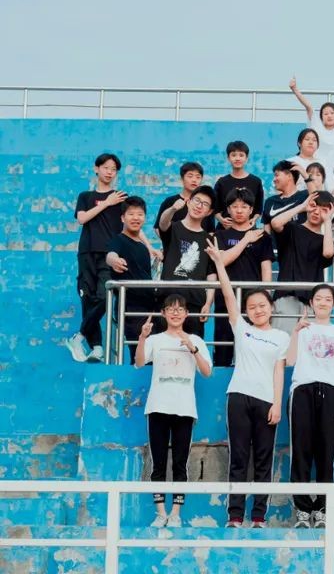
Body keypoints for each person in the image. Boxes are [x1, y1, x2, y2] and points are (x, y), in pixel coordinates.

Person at [206, 241, 288, 529]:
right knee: (239, 458)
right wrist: (219, 264)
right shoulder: (242, 329)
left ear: (271, 308)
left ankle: (259, 516)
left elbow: (279, 372)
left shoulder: (281, 337)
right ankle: (235, 515)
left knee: (264, 459)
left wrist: (277, 404)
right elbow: (229, 295)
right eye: (252, 307)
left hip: (266, 401)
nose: (257, 310)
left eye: (262, 306)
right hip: (239, 397)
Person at [135, 296, 213, 527]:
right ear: (164, 313)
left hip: (184, 408)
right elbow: (139, 362)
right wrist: (142, 337)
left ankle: (176, 513)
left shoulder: (196, 339)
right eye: (171, 309)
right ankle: (161, 513)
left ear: (187, 313)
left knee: (180, 463)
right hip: (158, 406)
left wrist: (192, 348)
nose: (176, 313)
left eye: (180, 309)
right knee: (158, 463)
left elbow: (207, 372)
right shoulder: (155, 340)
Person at [286, 284, 334, 529]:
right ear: (311, 303)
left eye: (327, 299)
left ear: (333, 304)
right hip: (302, 391)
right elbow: (290, 360)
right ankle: (303, 511)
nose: (323, 302)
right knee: (301, 452)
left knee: (326, 454)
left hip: (331, 393)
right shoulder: (303, 330)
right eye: (318, 298)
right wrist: (295, 332)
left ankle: (322, 509)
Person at [71, 153, 129, 362]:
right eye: (106, 167)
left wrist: (149, 247)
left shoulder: (120, 198)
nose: (109, 172)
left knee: (104, 296)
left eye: (113, 169)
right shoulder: (85, 196)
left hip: (109, 255)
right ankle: (96, 347)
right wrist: (106, 203)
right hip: (87, 252)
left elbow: (131, 224)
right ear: (96, 169)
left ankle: (79, 336)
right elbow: (82, 218)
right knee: (88, 299)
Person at [211, 189, 274, 367]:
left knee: (253, 349)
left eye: (244, 206)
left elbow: (266, 269)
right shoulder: (220, 236)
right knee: (223, 350)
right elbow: (222, 260)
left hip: (253, 303)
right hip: (225, 300)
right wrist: (246, 239)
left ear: (251, 210)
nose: (239, 210)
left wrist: (266, 297)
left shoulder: (262, 237)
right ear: (228, 210)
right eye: (234, 206)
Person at [269, 192, 334, 332]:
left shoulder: (325, 240)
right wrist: (302, 207)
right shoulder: (292, 229)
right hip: (286, 296)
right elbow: (275, 223)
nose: (317, 212)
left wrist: (328, 221)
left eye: (324, 210)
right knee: (283, 342)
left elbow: (328, 253)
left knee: (308, 344)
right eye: (314, 206)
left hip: (311, 302)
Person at [158, 185, 217, 337]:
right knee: (164, 346)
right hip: (168, 300)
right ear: (189, 202)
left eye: (205, 204)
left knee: (193, 347)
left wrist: (208, 303)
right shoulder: (173, 228)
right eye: (197, 200)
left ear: (209, 211)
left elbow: (211, 274)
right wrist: (173, 209)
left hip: (194, 303)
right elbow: (162, 224)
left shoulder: (209, 240)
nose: (199, 206)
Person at [105, 197, 155, 363]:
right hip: (130, 308)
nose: (135, 218)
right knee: (139, 353)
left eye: (140, 214)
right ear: (122, 218)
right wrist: (114, 261)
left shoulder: (142, 247)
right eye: (131, 214)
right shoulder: (118, 240)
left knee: (152, 354)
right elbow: (110, 255)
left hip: (149, 308)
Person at [290, 77, 334, 176]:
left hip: (330, 172)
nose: (329, 116)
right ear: (321, 117)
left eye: (332, 113)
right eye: (325, 114)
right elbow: (308, 107)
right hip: (312, 167)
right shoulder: (316, 125)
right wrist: (294, 89)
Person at [155, 162, 213, 252]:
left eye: (198, 177)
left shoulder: (205, 205)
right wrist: (172, 243)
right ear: (182, 179)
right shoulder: (170, 202)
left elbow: (210, 231)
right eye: (190, 176)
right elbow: (158, 227)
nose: (194, 180)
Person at [214, 141, 264, 228]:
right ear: (228, 158)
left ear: (246, 158)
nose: (237, 158)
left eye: (241, 155)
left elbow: (259, 208)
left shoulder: (256, 181)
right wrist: (221, 220)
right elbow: (215, 207)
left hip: (248, 228)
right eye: (233, 155)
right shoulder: (221, 182)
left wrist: (254, 219)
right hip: (225, 228)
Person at [289, 128, 334, 204]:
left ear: (317, 145)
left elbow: (331, 182)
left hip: (320, 202)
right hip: (297, 202)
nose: (311, 142)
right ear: (299, 143)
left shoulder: (322, 162)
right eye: (307, 139)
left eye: (314, 140)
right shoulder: (290, 162)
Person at [261, 160, 308, 230]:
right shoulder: (270, 201)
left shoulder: (305, 196)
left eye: (277, 175)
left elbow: (318, 198)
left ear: (289, 176)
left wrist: (305, 175)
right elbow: (267, 231)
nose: (274, 179)